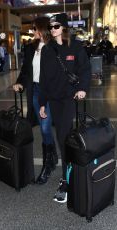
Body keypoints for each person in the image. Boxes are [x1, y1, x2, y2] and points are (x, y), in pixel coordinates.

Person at [39, 13, 91, 203]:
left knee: (62, 137)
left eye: (56, 26)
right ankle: (72, 170)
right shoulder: (47, 50)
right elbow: (43, 79)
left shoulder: (75, 46)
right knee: (65, 137)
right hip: (54, 99)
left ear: (64, 27)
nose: (52, 29)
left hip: (69, 98)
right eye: (51, 26)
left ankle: (66, 181)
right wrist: (43, 103)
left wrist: (83, 88)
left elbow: (85, 69)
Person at [13, 17, 58, 185]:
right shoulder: (31, 47)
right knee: (43, 128)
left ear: (43, 29)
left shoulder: (54, 47)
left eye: (34, 28)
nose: (32, 31)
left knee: (46, 128)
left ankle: (48, 164)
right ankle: (52, 158)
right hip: (35, 91)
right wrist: (20, 83)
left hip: (50, 92)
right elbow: (26, 70)